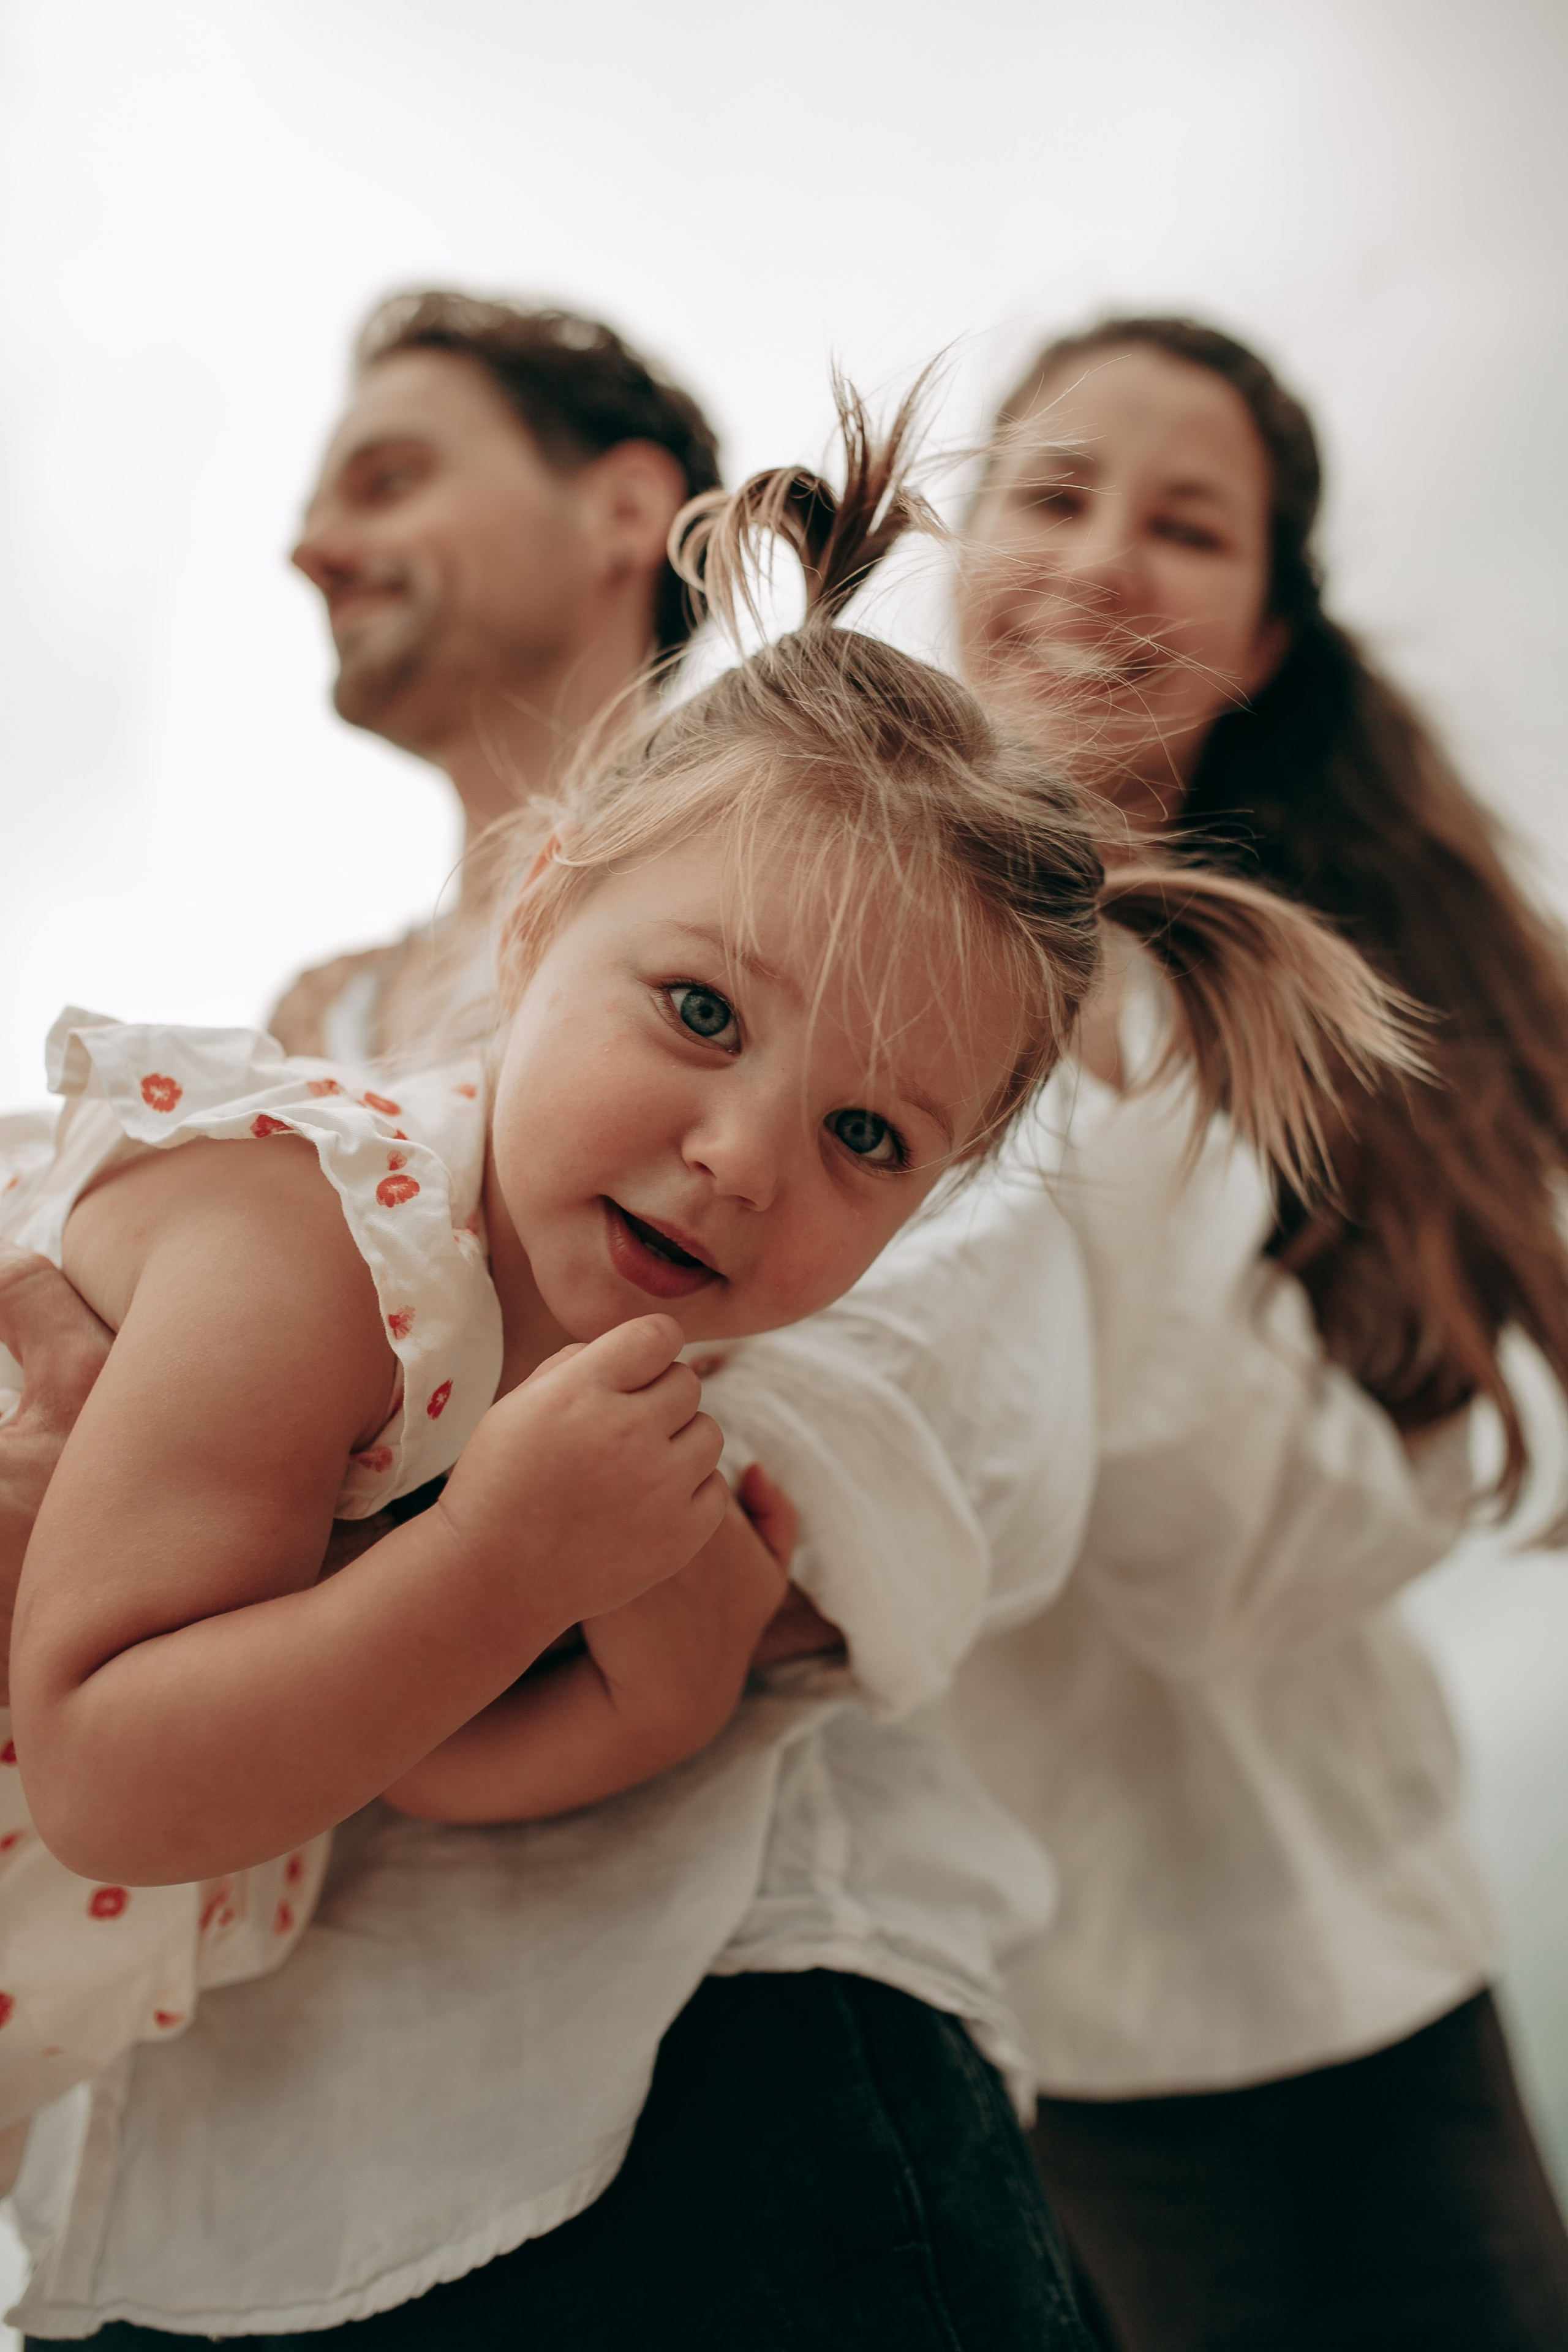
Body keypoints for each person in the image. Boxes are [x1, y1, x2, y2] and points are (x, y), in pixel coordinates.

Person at [0, 391, 1406, 2350]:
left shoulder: (592, 1368)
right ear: (543, 906)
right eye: (697, 1008)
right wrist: (499, 1566)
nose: (745, 1152)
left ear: (933, 1211)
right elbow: (111, 1766)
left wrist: (645, 1649)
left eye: (866, 1140)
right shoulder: (310, 1247)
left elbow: (425, 1755)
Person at [949, 314, 1568, 2351]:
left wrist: (1096, 973)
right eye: (1051, 492)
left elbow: (1227, 1574)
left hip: (1344, 1988)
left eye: (1187, 524)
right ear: (959, 543)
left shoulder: (1364, 1025)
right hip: (988, 2026)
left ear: (1270, 637)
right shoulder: (785, 927)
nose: (1106, 555)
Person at [273, 291, 722, 1065]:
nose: (312, 552)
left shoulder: (783, 918)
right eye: (312, 515)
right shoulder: (319, 1023)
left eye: (389, 482)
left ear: (625, 510)